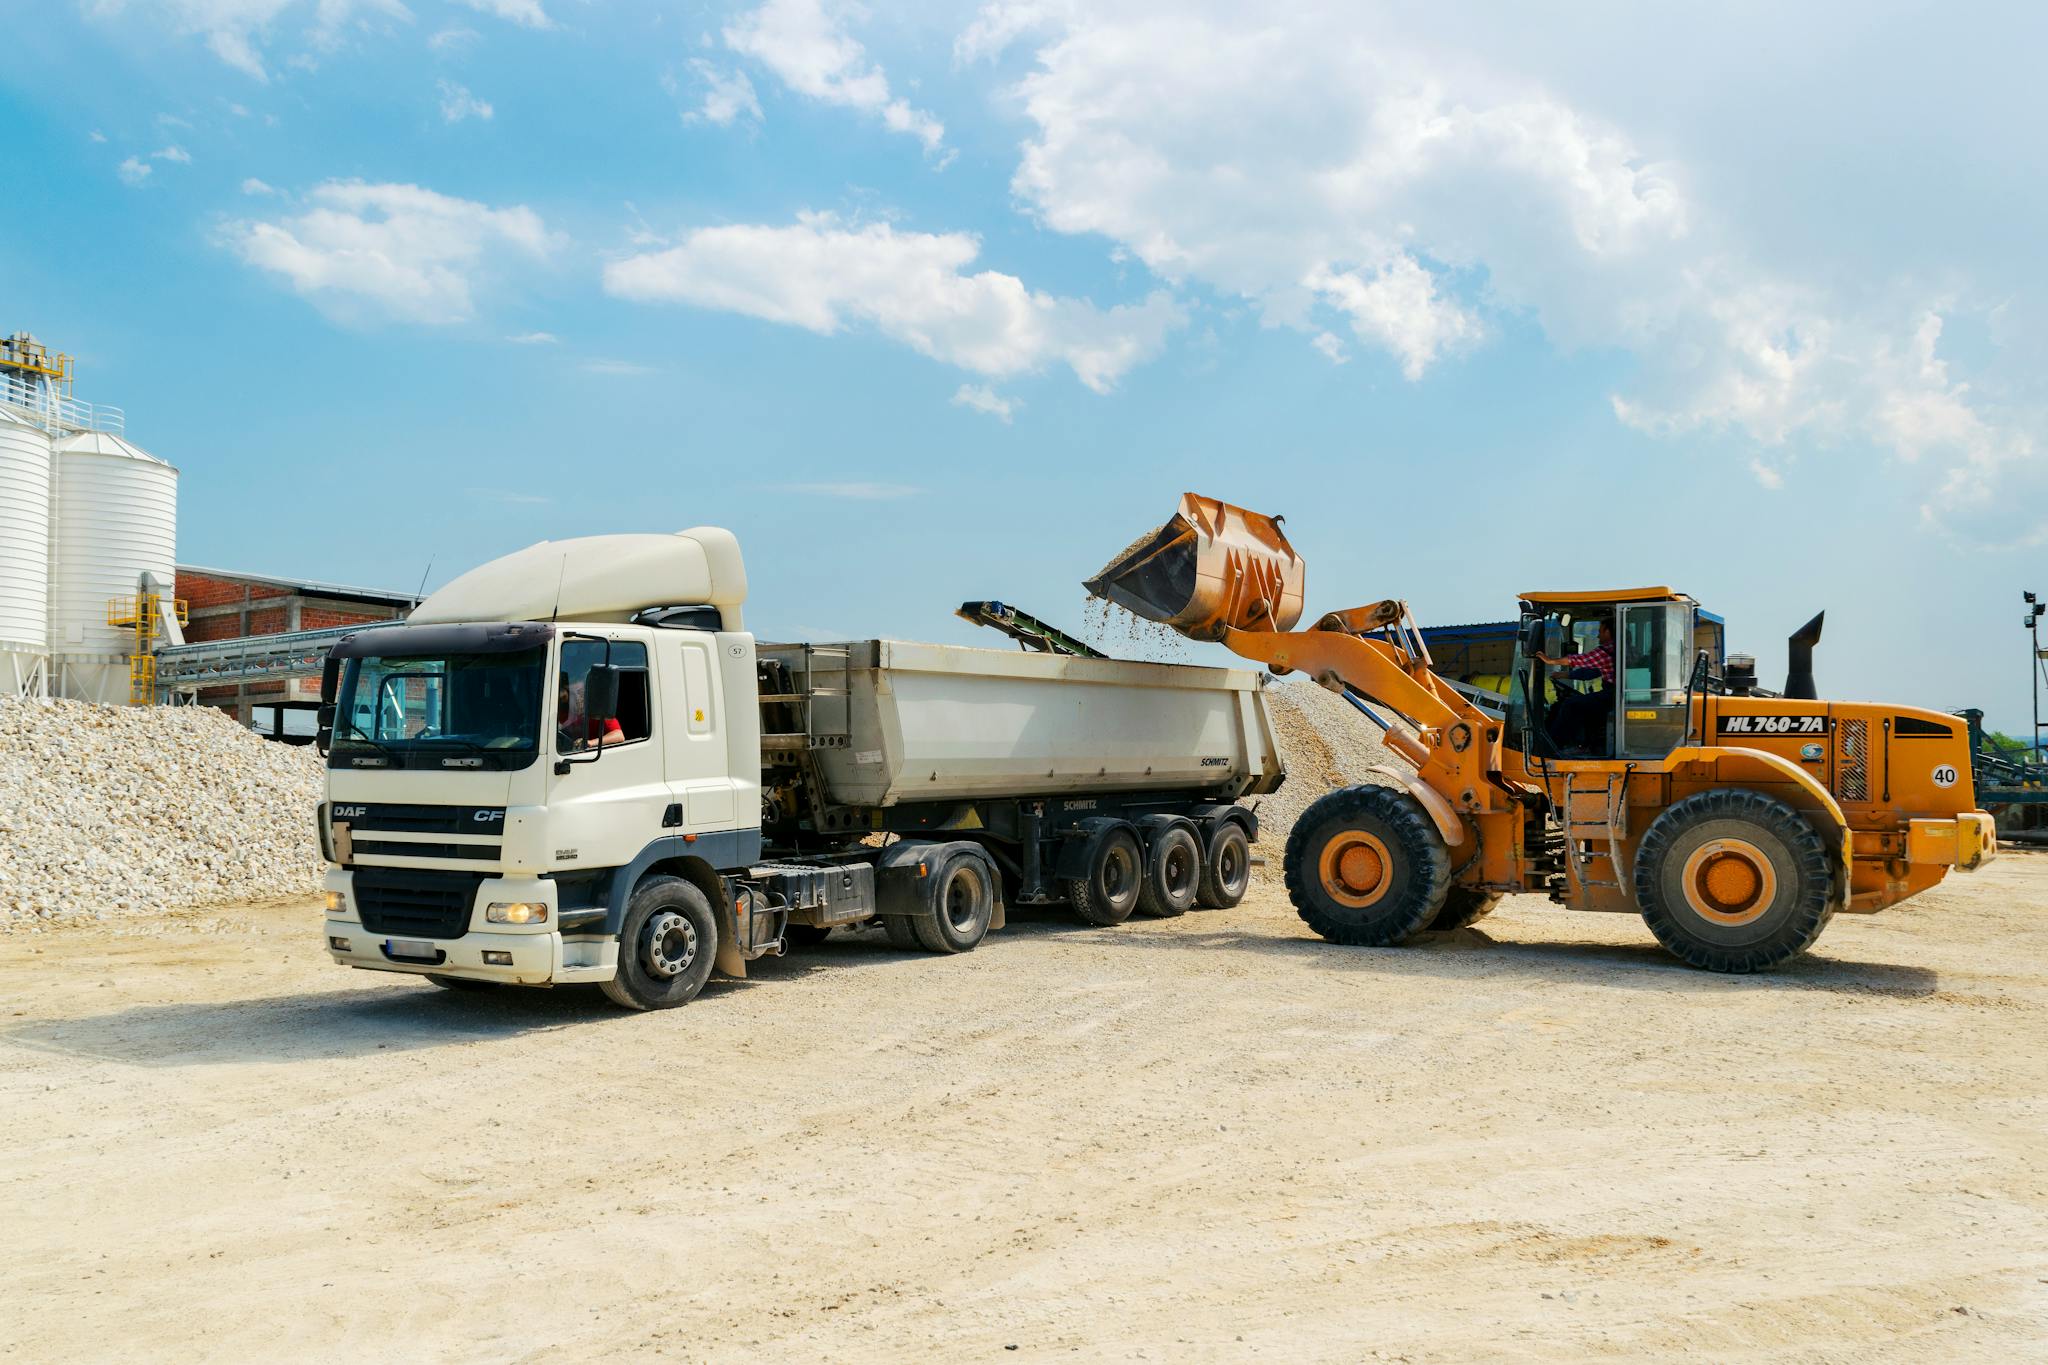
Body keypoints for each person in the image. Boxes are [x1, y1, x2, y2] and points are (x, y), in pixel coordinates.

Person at [1536, 619, 1615, 753]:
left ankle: (1551, 747)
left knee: (1570, 705)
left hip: (1612, 696)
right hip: (1617, 695)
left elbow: (1582, 660)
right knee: (1582, 702)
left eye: (1600, 631)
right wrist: (1565, 675)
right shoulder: (1620, 650)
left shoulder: (1607, 650)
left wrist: (1550, 660)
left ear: (1607, 632)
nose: (1598, 636)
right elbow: (1592, 672)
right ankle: (1586, 744)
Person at [558, 677, 625, 751]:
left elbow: (619, 735)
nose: (579, 698)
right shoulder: (567, 715)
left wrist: (590, 743)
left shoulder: (598, 713)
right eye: (573, 695)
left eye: (581, 693)